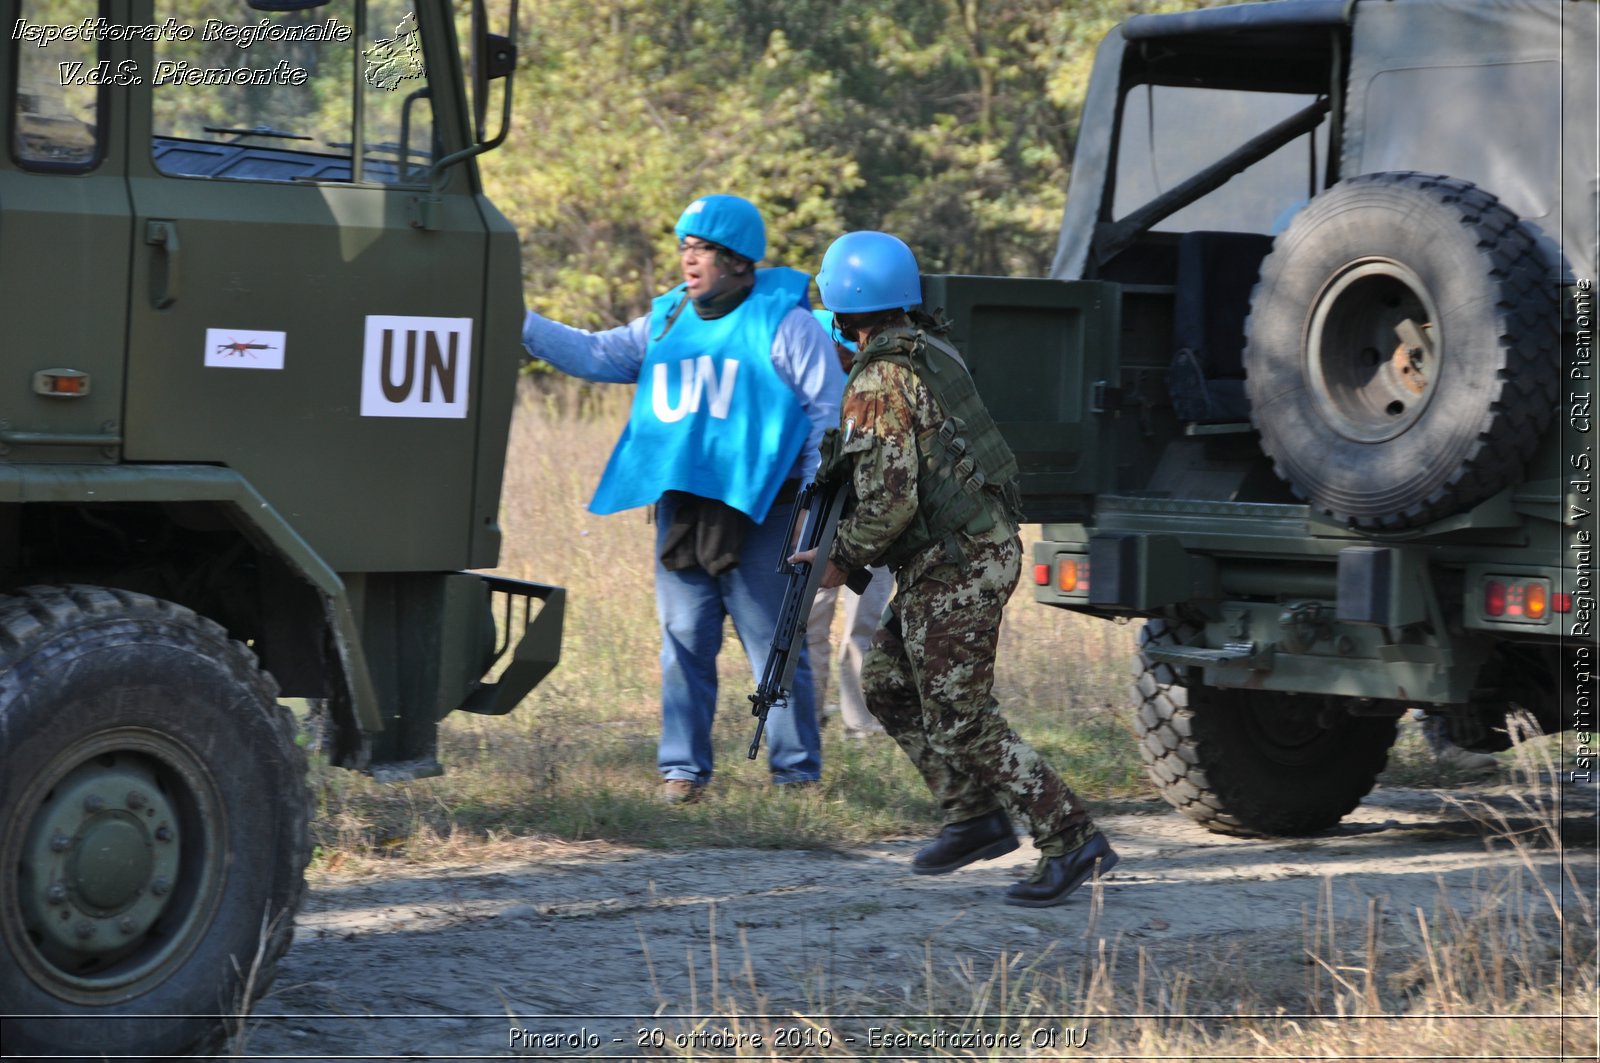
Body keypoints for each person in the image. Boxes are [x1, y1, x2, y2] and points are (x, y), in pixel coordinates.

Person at [795, 230, 1117, 907]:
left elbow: (890, 500)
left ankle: (1070, 837)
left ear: (845, 309)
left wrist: (837, 560)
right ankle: (973, 815)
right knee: (886, 683)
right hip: (952, 557)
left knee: (962, 715)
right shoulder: (927, 348)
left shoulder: (881, 379)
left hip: (959, 562)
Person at [521, 194, 843, 803]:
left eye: (703, 250)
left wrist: (812, 510)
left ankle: (796, 776)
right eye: (685, 248)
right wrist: (522, 324)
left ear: (740, 261)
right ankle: (683, 774)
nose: (688, 261)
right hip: (685, 511)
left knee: (773, 646)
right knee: (684, 640)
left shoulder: (788, 325)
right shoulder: (667, 320)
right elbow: (595, 353)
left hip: (765, 512)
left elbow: (827, 419)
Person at [804, 310, 891, 739]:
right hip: (820, 511)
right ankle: (807, 715)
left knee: (865, 620)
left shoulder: (881, 376)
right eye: (834, 344)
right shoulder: (809, 377)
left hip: (872, 516)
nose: (844, 351)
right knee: (809, 617)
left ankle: (861, 723)